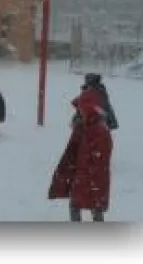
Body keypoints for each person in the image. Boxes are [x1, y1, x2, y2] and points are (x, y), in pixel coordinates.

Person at [48, 84, 113, 222]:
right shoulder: (84, 126)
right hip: (82, 178)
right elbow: (73, 151)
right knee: (76, 206)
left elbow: (100, 162)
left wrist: (91, 181)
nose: (79, 113)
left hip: (91, 180)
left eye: (81, 110)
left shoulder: (99, 131)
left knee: (94, 209)